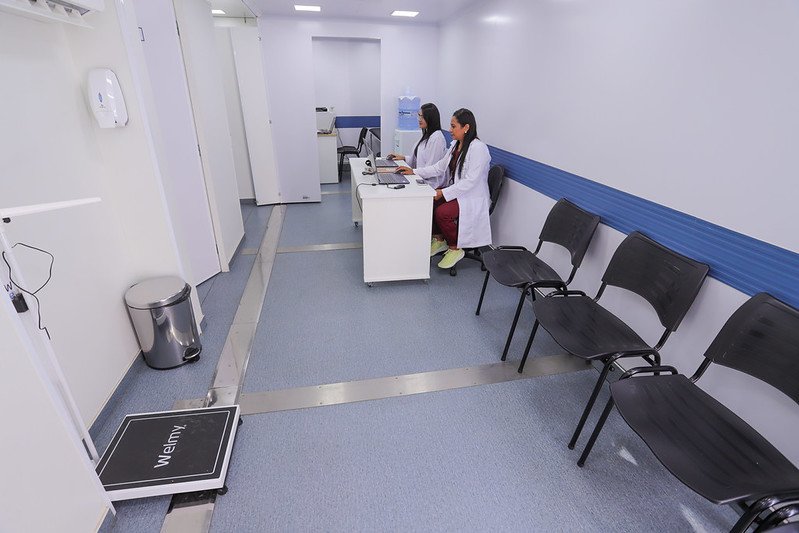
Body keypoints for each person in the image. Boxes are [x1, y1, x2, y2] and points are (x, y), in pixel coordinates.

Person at [398, 108, 492, 269]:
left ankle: (455, 247)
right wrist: (414, 171)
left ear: (466, 127)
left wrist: (443, 192)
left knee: (443, 213)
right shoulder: (456, 145)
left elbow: (470, 182)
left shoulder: (478, 148)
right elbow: (439, 167)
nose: (450, 130)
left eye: (453, 126)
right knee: (430, 202)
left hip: (472, 197)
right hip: (458, 191)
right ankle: (439, 240)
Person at [387, 103, 448, 188]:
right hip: (421, 177)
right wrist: (404, 158)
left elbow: (433, 169)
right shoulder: (427, 135)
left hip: (431, 184)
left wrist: (413, 171)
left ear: (430, 118)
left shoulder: (437, 138)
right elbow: (420, 160)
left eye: (423, 117)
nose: (419, 119)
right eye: (419, 116)